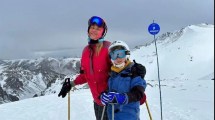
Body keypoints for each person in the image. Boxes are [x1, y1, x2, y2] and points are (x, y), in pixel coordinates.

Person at [58, 16, 111, 120]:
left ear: (103, 32)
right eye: (92, 27)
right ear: (88, 30)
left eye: (98, 28)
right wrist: (71, 84)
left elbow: (122, 67)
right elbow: (85, 75)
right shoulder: (86, 51)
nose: (94, 30)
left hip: (111, 102)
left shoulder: (109, 48)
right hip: (97, 102)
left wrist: (135, 70)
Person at [100, 41, 147, 120]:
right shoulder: (112, 74)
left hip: (129, 116)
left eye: (121, 54)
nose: (118, 58)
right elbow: (109, 91)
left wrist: (122, 98)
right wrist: (103, 95)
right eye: (114, 55)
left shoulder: (134, 72)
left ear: (127, 54)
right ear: (111, 58)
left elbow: (138, 93)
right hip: (112, 116)